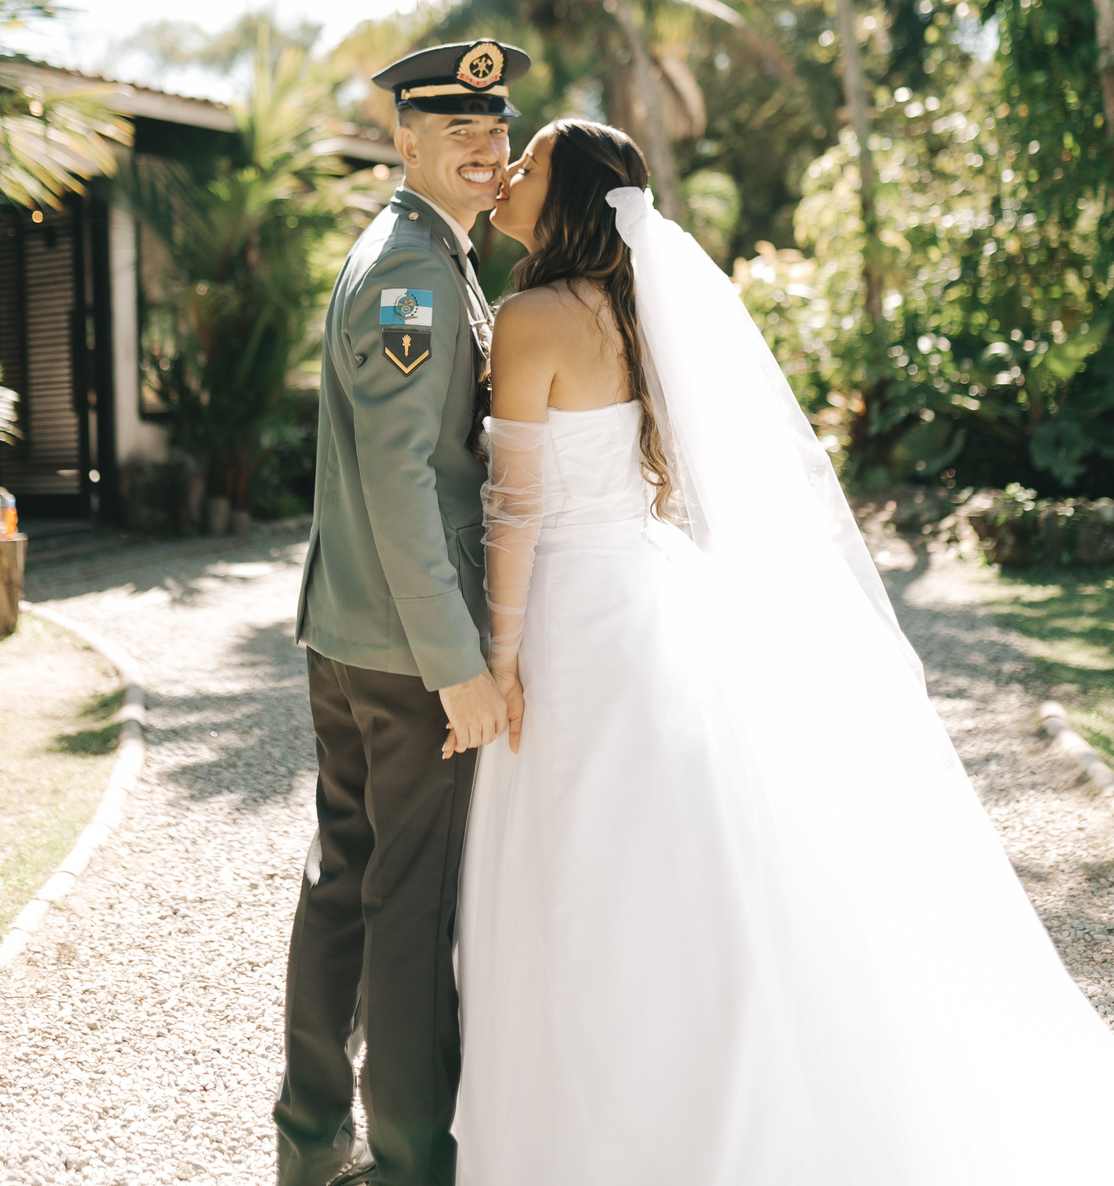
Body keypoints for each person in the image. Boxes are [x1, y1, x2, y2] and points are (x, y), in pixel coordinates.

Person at [453, 117, 1114, 1186]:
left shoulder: (532, 317)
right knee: (674, 858)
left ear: (565, 197)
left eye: (527, 163)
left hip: (575, 613)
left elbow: (516, 506)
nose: (508, 174)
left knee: (584, 866)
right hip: (645, 592)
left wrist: (501, 656)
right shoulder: (631, 309)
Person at [275, 39, 531, 1186]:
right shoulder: (414, 275)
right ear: (405, 140)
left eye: (496, 129)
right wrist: (456, 664)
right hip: (404, 653)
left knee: (344, 885)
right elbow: (399, 478)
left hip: (354, 633)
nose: (485, 148)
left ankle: (310, 1144)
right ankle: (412, 1164)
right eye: (458, 130)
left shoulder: (427, 253)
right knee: (409, 913)